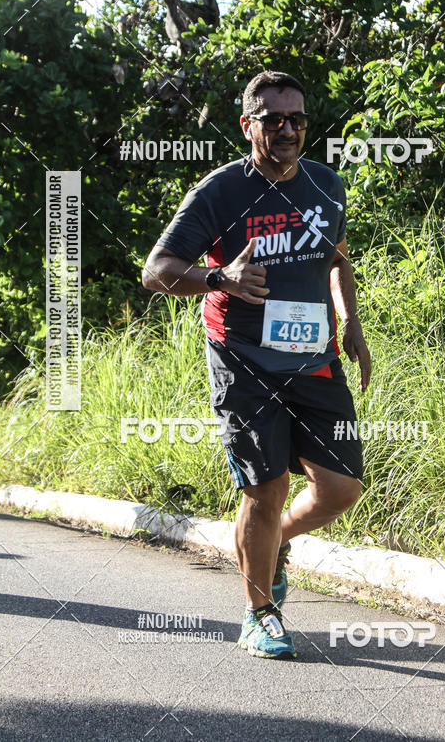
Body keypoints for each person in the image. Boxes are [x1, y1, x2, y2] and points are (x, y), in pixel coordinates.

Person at [142, 70, 371, 660]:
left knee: (341, 488)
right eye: (274, 120)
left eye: (297, 119)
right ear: (248, 125)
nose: (289, 129)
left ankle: (275, 546)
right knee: (266, 490)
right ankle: (259, 612)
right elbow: (157, 269)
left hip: (313, 356)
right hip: (242, 358)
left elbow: (337, 261)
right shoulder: (220, 191)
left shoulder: (327, 185)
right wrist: (219, 277)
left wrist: (351, 323)